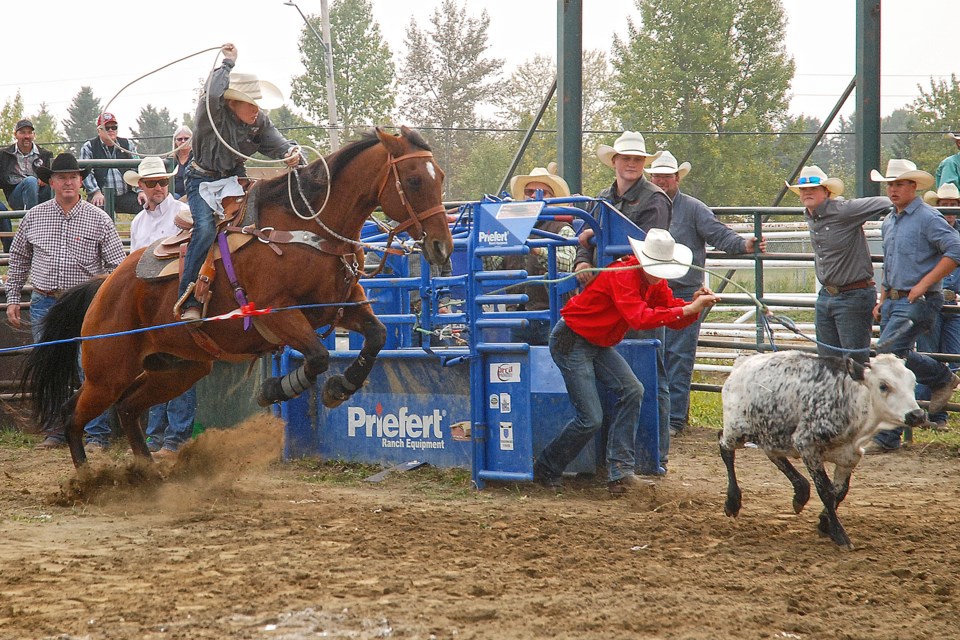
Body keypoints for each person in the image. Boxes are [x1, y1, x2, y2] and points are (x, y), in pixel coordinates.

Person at [534, 229, 719, 495]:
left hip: (593, 340)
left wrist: (695, 306)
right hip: (573, 340)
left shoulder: (652, 281)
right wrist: (688, 309)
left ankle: (620, 472)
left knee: (632, 391)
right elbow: (640, 318)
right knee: (591, 418)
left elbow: (670, 314)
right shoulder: (624, 274)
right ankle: (547, 466)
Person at [4, 153, 126, 450]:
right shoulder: (34, 216)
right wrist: (12, 299)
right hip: (45, 301)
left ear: (81, 181)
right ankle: (56, 431)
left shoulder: (99, 218)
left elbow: (118, 267)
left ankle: (97, 434)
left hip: (87, 305)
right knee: (51, 367)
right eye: (62, 177)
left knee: (91, 368)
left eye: (73, 176)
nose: (69, 182)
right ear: (51, 182)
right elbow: (18, 259)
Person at [176, 43, 301, 321]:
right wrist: (228, 64)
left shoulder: (259, 123)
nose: (256, 109)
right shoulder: (213, 116)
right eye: (250, 103)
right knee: (206, 230)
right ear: (232, 103)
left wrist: (290, 152)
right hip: (200, 181)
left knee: (260, 223)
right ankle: (187, 296)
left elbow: (277, 143)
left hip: (234, 178)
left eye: (257, 104)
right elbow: (211, 95)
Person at [648, 151, 764, 437]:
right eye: (658, 176)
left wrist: (743, 245)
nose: (662, 181)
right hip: (652, 289)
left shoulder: (693, 209)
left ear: (676, 178)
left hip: (684, 289)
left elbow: (717, 234)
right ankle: (661, 417)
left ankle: (673, 419)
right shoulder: (648, 205)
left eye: (666, 176)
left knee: (678, 354)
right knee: (654, 352)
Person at [575, 131, 673, 467]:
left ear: (643, 164)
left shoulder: (655, 199)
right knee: (628, 375)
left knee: (649, 371)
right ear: (614, 162)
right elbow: (584, 235)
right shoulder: (602, 198)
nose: (631, 164)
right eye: (626, 158)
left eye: (637, 159)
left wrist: (591, 240)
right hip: (611, 298)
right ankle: (619, 456)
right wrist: (583, 259)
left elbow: (646, 250)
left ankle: (653, 454)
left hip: (635, 294)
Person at [866, 159, 960, 453]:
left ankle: (887, 436)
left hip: (917, 299)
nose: (892, 190)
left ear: (912, 187)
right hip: (896, 298)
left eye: (898, 184)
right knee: (896, 355)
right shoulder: (890, 220)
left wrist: (925, 283)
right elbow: (890, 261)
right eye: (890, 185)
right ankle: (941, 377)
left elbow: (956, 248)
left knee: (887, 357)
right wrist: (883, 296)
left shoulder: (928, 218)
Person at [125, 157, 197, 457]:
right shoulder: (137, 222)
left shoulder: (185, 213)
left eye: (162, 182)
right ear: (140, 185)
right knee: (155, 370)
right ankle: (156, 438)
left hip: (177, 302)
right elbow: (132, 266)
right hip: (150, 309)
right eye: (152, 182)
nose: (158, 187)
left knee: (180, 365)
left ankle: (175, 439)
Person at [788, 165, 892, 364]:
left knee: (854, 362)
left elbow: (884, 201)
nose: (807, 192)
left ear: (826, 192)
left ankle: (857, 395)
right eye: (803, 189)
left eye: (813, 188)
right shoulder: (811, 215)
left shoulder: (844, 210)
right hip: (828, 294)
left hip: (853, 294)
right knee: (828, 362)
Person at [483, 165, 576, 345]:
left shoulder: (562, 229)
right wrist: (487, 239)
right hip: (518, 317)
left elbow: (566, 265)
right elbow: (491, 267)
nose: (533, 196)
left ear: (553, 199)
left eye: (542, 192)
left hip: (553, 316)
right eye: (529, 191)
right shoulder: (510, 228)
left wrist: (535, 248)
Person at [915, 183, 960, 430]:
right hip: (933, 298)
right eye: (944, 205)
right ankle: (924, 412)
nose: (949, 210)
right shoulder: (931, 230)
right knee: (928, 356)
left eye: (953, 205)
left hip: (952, 302)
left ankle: (937, 415)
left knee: (949, 359)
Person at [0, 119, 53, 251]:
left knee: (33, 182)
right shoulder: (4, 154)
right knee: (30, 181)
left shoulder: (45, 155)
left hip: (41, 197)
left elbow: (53, 177)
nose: (26, 136)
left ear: (33, 135)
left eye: (29, 132)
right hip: (16, 195)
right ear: (15, 135)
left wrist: (45, 179)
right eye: (22, 132)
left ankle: (37, 230)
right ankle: (32, 227)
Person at [80, 112, 143, 214]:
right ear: (99, 130)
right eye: (106, 127)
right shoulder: (89, 146)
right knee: (93, 213)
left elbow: (138, 169)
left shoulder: (127, 144)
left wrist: (141, 191)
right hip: (100, 195)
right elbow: (86, 173)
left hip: (125, 194)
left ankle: (143, 229)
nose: (111, 130)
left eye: (114, 127)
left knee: (147, 204)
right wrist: (95, 192)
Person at [171, 125, 193, 199]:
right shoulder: (170, 159)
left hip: (193, 195)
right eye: (180, 139)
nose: (183, 141)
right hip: (173, 197)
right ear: (175, 141)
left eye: (186, 138)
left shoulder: (198, 158)